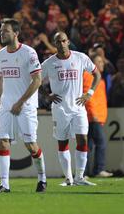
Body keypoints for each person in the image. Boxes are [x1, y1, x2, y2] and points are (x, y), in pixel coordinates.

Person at [0, 18, 47, 194]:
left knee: (30, 144)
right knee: (2, 142)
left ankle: (42, 178)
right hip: (7, 105)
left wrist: (20, 102)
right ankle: (4, 185)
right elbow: (3, 79)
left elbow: (37, 81)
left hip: (26, 105)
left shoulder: (29, 53)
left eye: (5, 31)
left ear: (16, 33)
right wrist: (1, 102)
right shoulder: (1, 54)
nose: (2, 34)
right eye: (1, 31)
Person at [41, 32, 101, 186]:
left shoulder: (80, 58)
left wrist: (89, 93)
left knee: (83, 138)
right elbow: (34, 79)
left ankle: (80, 177)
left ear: (68, 42)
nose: (61, 44)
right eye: (58, 42)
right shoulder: (49, 63)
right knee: (63, 142)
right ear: (55, 44)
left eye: (63, 41)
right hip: (60, 108)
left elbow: (97, 74)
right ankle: (68, 179)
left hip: (78, 107)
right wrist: (47, 95)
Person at [83, 55, 112, 178]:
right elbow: (88, 96)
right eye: (99, 62)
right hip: (93, 117)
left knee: (88, 145)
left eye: (102, 61)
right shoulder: (90, 77)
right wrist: (92, 113)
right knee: (101, 143)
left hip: (97, 116)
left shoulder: (100, 79)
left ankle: (84, 173)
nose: (102, 64)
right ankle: (98, 170)